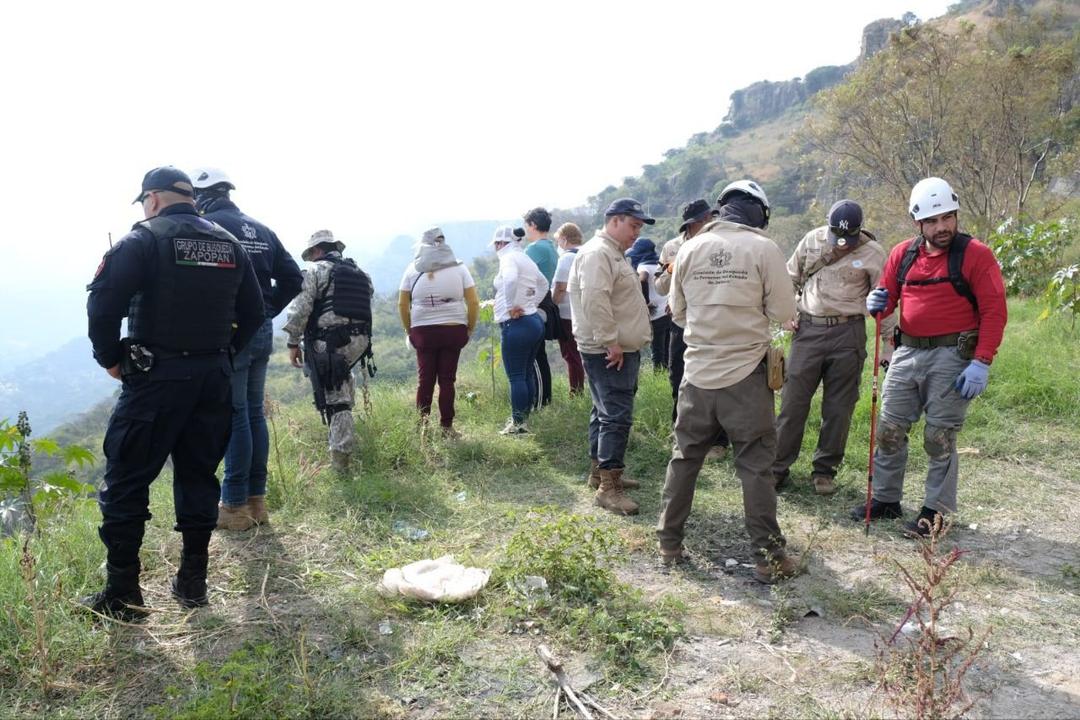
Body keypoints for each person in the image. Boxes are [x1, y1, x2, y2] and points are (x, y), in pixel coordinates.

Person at [83, 167, 265, 620]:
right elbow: (255, 312)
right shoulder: (229, 243)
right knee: (199, 475)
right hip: (212, 379)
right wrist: (220, 356)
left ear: (155, 200)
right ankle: (193, 583)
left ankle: (123, 594)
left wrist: (112, 360)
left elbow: (102, 306)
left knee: (127, 479)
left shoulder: (142, 240)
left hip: (156, 380)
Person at [656, 180, 801, 583]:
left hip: (697, 373)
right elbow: (783, 310)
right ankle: (768, 558)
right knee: (755, 465)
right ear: (759, 213)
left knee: (684, 458)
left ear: (722, 209)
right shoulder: (763, 249)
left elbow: (677, 313)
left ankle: (669, 543)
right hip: (746, 376)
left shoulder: (688, 249)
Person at [855, 177, 1007, 537]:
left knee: (939, 436)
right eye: (933, 221)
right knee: (890, 430)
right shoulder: (902, 254)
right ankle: (886, 500)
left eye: (948, 218)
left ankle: (935, 514)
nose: (943, 227)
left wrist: (981, 362)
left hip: (953, 356)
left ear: (956, 215)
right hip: (907, 351)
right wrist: (875, 302)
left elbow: (995, 312)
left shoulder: (976, 255)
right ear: (918, 223)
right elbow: (886, 300)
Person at [191, 167, 303, 531]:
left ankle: (234, 505)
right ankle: (257, 501)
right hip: (261, 330)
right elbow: (293, 277)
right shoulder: (261, 229)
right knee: (253, 413)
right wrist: (268, 308)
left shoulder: (208, 227)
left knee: (236, 414)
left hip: (231, 331)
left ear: (201, 195)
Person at [772, 200, 886, 496]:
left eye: (849, 238)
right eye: (838, 236)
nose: (843, 243)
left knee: (839, 407)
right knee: (793, 403)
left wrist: (888, 343)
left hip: (848, 332)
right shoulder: (812, 240)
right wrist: (786, 314)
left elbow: (885, 301)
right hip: (808, 329)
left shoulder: (873, 253)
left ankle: (824, 471)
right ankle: (776, 469)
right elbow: (789, 277)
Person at [568, 198, 653, 515]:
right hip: (608, 349)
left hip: (614, 346)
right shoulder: (598, 253)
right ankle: (608, 487)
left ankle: (599, 473)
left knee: (603, 411)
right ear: (614, 221)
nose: (636, 233)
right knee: (616, 416)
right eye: (633, 225)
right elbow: (595, 299)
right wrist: (610, 342)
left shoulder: (611, 253)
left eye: (639, 228)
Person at [283, 230, 375, 477]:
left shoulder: (315, 271)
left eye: (311, 254)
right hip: (359, 340)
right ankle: (342, 443)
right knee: (342, 383)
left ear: (316, 251)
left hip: (329, 342)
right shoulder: (360, 272)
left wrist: (293, 341)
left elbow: (300, 308)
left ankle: (341, 466)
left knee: (336, 402)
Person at [655, 199, 730, 456]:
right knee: (679, 377)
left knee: (718, 378)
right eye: (702, 221)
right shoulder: (672, 247)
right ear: (692, 223)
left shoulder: (722, 245)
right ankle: (681, 432)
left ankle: (719, 440)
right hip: (680, 322)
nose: (707, 224)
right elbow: (659, 287)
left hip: (713, 321)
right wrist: (671, 271)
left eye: (708, 219)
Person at [398, 227, 479, 438]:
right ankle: (447, 427)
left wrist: (410, 330)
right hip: (454, 329)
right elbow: (473, 301)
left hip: (423, 331)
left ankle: (422, 427)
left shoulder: (411, 270)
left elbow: (402, 304)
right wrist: (469, 327)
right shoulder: (460, 268)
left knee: (425, 380)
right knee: (447, 380)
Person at [491, 225, 549, 434]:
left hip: (516, 323)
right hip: (532, 320)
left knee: (516, 375)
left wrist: (510, 306)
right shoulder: (525, 257)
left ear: (500, 243)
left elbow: (511, 279)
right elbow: (543, 283)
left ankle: (518, 424)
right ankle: (524, 418)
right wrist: (531, 303)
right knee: (526, 373)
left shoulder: (508, 258)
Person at [523, 207, 559, 407]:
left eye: (526, 226)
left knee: (535, 357)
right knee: (540, 355)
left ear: (533, 225)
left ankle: (541, 400)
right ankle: (544, 399)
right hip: (546, 301)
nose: (526, 230)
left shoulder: (534, 249)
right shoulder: (551, 247)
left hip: (535, 302)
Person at [551, 222, 586, 395]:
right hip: (584, 310)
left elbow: (560, 287)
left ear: (564, 239)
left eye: (559, 241)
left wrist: (553, 305)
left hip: (567, 313)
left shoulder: (566, 257)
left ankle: (576, 391)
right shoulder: (586, 253)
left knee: (571, 355)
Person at [626, 237, 670, 371]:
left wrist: (645, 302)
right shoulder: (658, 265)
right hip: (666, 310)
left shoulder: (643, 266)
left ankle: (657, 375)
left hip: (655, 313)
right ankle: (667, 372)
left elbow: (642, 279)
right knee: (666, 347)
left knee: (656, 349)